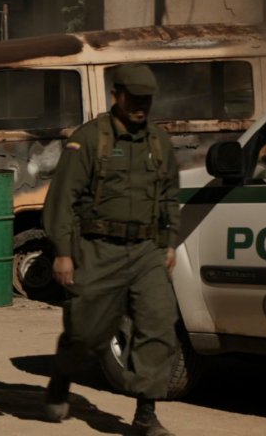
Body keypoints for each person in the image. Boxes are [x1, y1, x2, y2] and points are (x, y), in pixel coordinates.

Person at [42, 64, 181, 436]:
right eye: (134, 99)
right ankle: (63, 373)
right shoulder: (89, 139)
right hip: (98, 248)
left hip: (147, 251)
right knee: (87, 334)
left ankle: (146, 413)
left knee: (158, 324)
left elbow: (170, 193)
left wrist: (168, 243)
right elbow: (62, 199)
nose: (141, 107)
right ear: (116, 95)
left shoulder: (158, 142)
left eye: (146, 100)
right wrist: (63, 251)